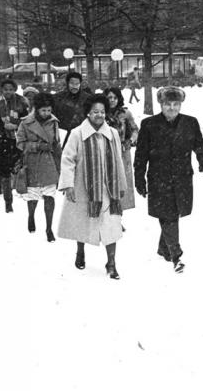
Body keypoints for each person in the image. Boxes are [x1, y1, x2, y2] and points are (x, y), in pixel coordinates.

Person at [133, 86, 203, 273]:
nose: (172, 108)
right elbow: (141, 155)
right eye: (168, 104)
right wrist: (139, 179)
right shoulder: (149, 124)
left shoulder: (190, 123)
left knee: (173, 213)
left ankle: (163, 247)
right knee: (168, 215)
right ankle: (176, 255)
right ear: (161, 104)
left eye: (176, 104)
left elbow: (199, 144)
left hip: (182, 178)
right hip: (159, 179)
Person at [57, 94, 127, 279]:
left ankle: (111, 262)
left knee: (111, 226)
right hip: (84, 186)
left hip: (108, 188)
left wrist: (121, 184)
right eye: (95, 112)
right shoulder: (77, 133)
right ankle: (80, 251)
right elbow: (67, 160)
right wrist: (68, 185)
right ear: (88, 113)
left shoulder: (112, 133)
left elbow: (118, 159)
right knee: (83, 221)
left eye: (102, 112)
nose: (99, 115)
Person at [16, 93, 62, 242]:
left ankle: (49, 228)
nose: (47, 114)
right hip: (32, 162)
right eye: (43, 111)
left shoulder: (54, 122)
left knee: (50, 195)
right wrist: (37, 146)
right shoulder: (25, 123)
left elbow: (57, 144)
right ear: (36, 109)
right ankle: (31, 216)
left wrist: (60, 165)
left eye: (49, 110)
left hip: (49, 163)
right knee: (33, 195)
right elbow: (20, 143)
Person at [0, 78, 30, 213]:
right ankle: (8, 201)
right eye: (5, 89)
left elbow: (26, 122)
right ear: (1, 90)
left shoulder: (21, 103)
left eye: (11, 89)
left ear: (15, 90)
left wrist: (15, 126)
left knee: (18, 168)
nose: (8, 92)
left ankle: (23, 193)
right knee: (4, 172)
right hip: (1, 141)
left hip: (17, 140)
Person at [104, 87, 139, 211]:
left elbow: (135, 129)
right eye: (109, 98)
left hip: (123, 152)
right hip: (105, 152)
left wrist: (130, 141)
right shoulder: (101, 112)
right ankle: (108, 214)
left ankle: (119, 215)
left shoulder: (125, 113)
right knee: (107, 183)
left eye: (115, 97)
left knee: (121, 184)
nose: (112, 100)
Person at [54, 72, 92, 146]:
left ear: (80, 84)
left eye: (77, 83)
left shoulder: (87, 98)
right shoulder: (58, 98)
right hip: (63, 134)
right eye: (72, 83)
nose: (74, 86)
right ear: (68, 83)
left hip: (82, 134)